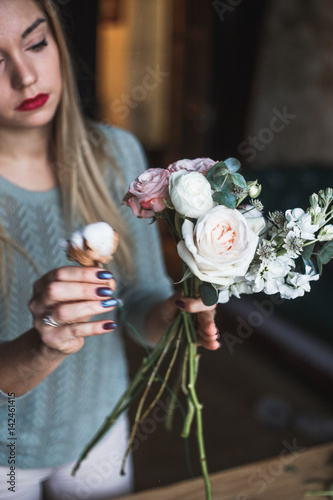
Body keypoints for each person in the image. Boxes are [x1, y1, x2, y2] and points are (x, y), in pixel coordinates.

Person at [0, 0, 220, 499]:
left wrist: (176, 311)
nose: (26, 77)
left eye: (36, 43)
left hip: (101, 434)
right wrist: (43, 346)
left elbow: (140, 303)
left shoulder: (116, 153)